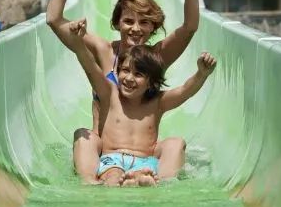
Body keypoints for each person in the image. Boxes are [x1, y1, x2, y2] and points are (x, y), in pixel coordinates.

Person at [46, 0, 201, 183]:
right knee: (84, 136)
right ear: (117, 23)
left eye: (144, 22)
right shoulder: (103, 51)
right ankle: (92, 184)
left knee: (174, 144)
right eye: (128, 21)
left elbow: (190, 27)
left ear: (153, 27)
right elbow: (54, 20)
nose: (136, 29)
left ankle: (154, 182)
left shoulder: (156, 56)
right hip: (104, 152)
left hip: (141, 151)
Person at [60, 19, 216, 186]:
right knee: (85, 138)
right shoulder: (110, 94)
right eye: (125, 70)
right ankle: (93, 180)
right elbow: (90, 67)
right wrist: (78, 43)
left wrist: (202, 73)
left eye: (138, 74)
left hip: (146, 162)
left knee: (176, 143)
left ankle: (161, 181)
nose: (129, 78)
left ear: (151, 82)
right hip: (112, 160)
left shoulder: (157, 102)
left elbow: (185, 91)